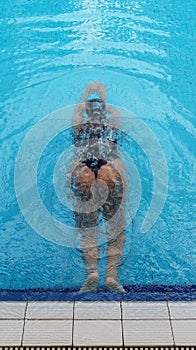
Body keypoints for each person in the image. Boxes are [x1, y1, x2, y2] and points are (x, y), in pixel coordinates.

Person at [71, 82, 126, 292]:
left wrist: (85, 95)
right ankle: (112, 276)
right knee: (116, 226)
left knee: (87, 226)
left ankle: (91, 272)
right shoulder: (113, 126)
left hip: (82, 166)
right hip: (111, 166)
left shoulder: (79, 128)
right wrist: (105, 100)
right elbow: (116, 113)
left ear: (86, 112)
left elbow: (77, 111)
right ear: (105, 111)